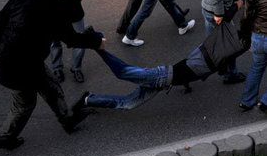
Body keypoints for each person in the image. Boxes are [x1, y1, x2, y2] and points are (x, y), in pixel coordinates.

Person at [0, 0, 106, 150]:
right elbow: (71, 39)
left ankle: (67, 120)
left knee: (51, 87)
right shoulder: (56, 9)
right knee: (25, 104)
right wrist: (97, 42)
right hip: (19, 68)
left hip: (19, 60)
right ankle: (4, 138)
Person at [71, 22, 248, 111]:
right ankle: (95, 42)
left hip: (162, 82)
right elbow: (223, 63)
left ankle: (89, 99)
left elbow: (187, 73)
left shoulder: (203, 50)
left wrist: (185, 86)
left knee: (127, 104)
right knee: (122, 73)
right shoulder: (210, 65)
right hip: (161, 77)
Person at [239, 0, 267, 112]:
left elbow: (247, 15)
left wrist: (246, 38)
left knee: (256, 67)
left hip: (257, 36)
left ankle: (247, 101)